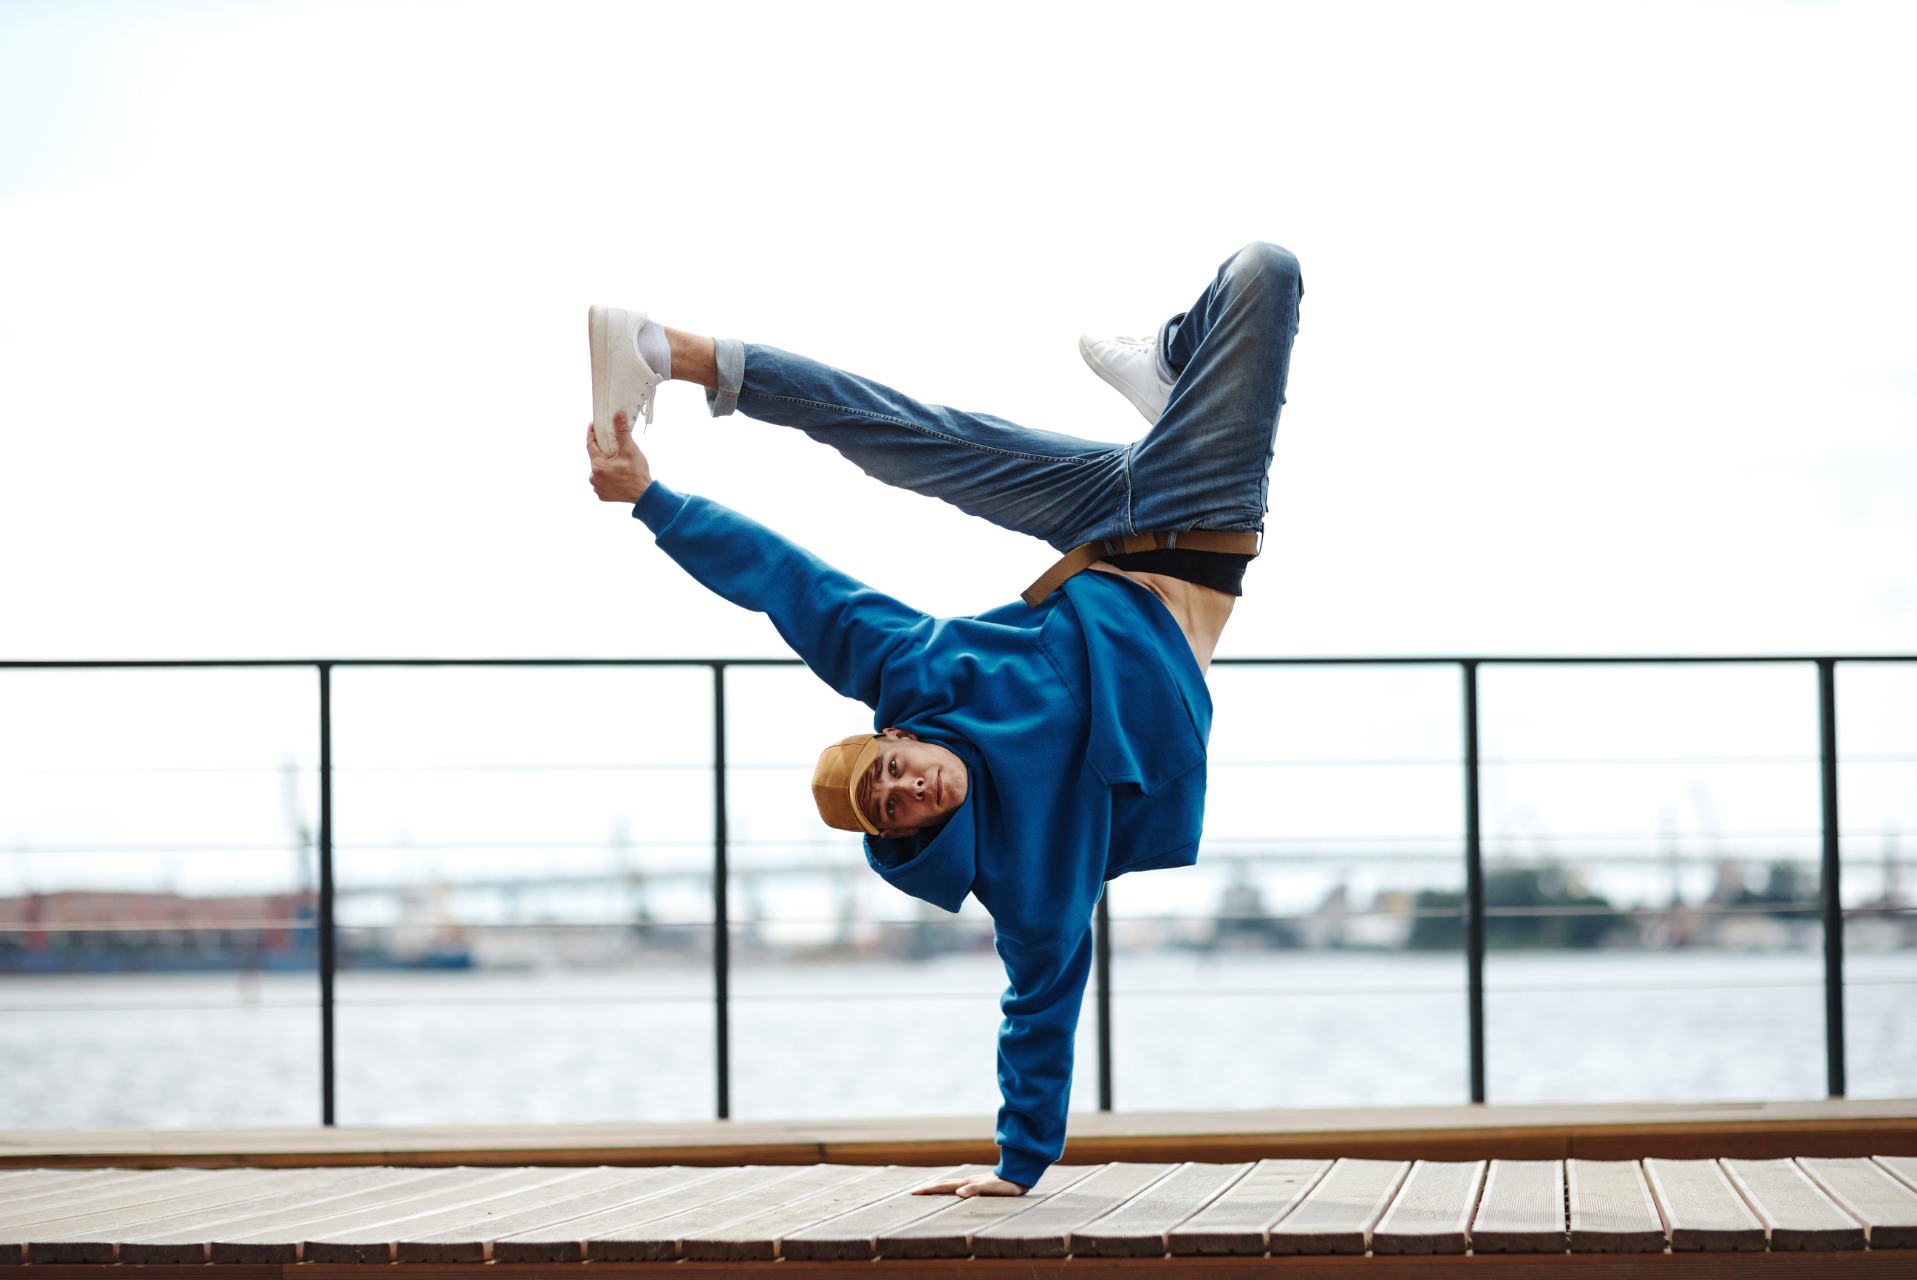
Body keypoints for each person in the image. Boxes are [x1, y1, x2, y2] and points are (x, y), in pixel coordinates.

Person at [585, 243, 1302, 1197]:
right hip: (1204, 516)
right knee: (1266, 271)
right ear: (908, 832)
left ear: (898, 736)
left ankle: (669, 350)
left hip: (1096, 515)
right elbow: (1037, 1010)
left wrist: (651, 501)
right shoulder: (1029, 880)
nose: (911, 787)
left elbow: (785, 582)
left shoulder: (914, 675)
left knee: (907, 434)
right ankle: (1175, 373)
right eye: (898, 808)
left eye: (892, 770)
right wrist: (1017, 1166)